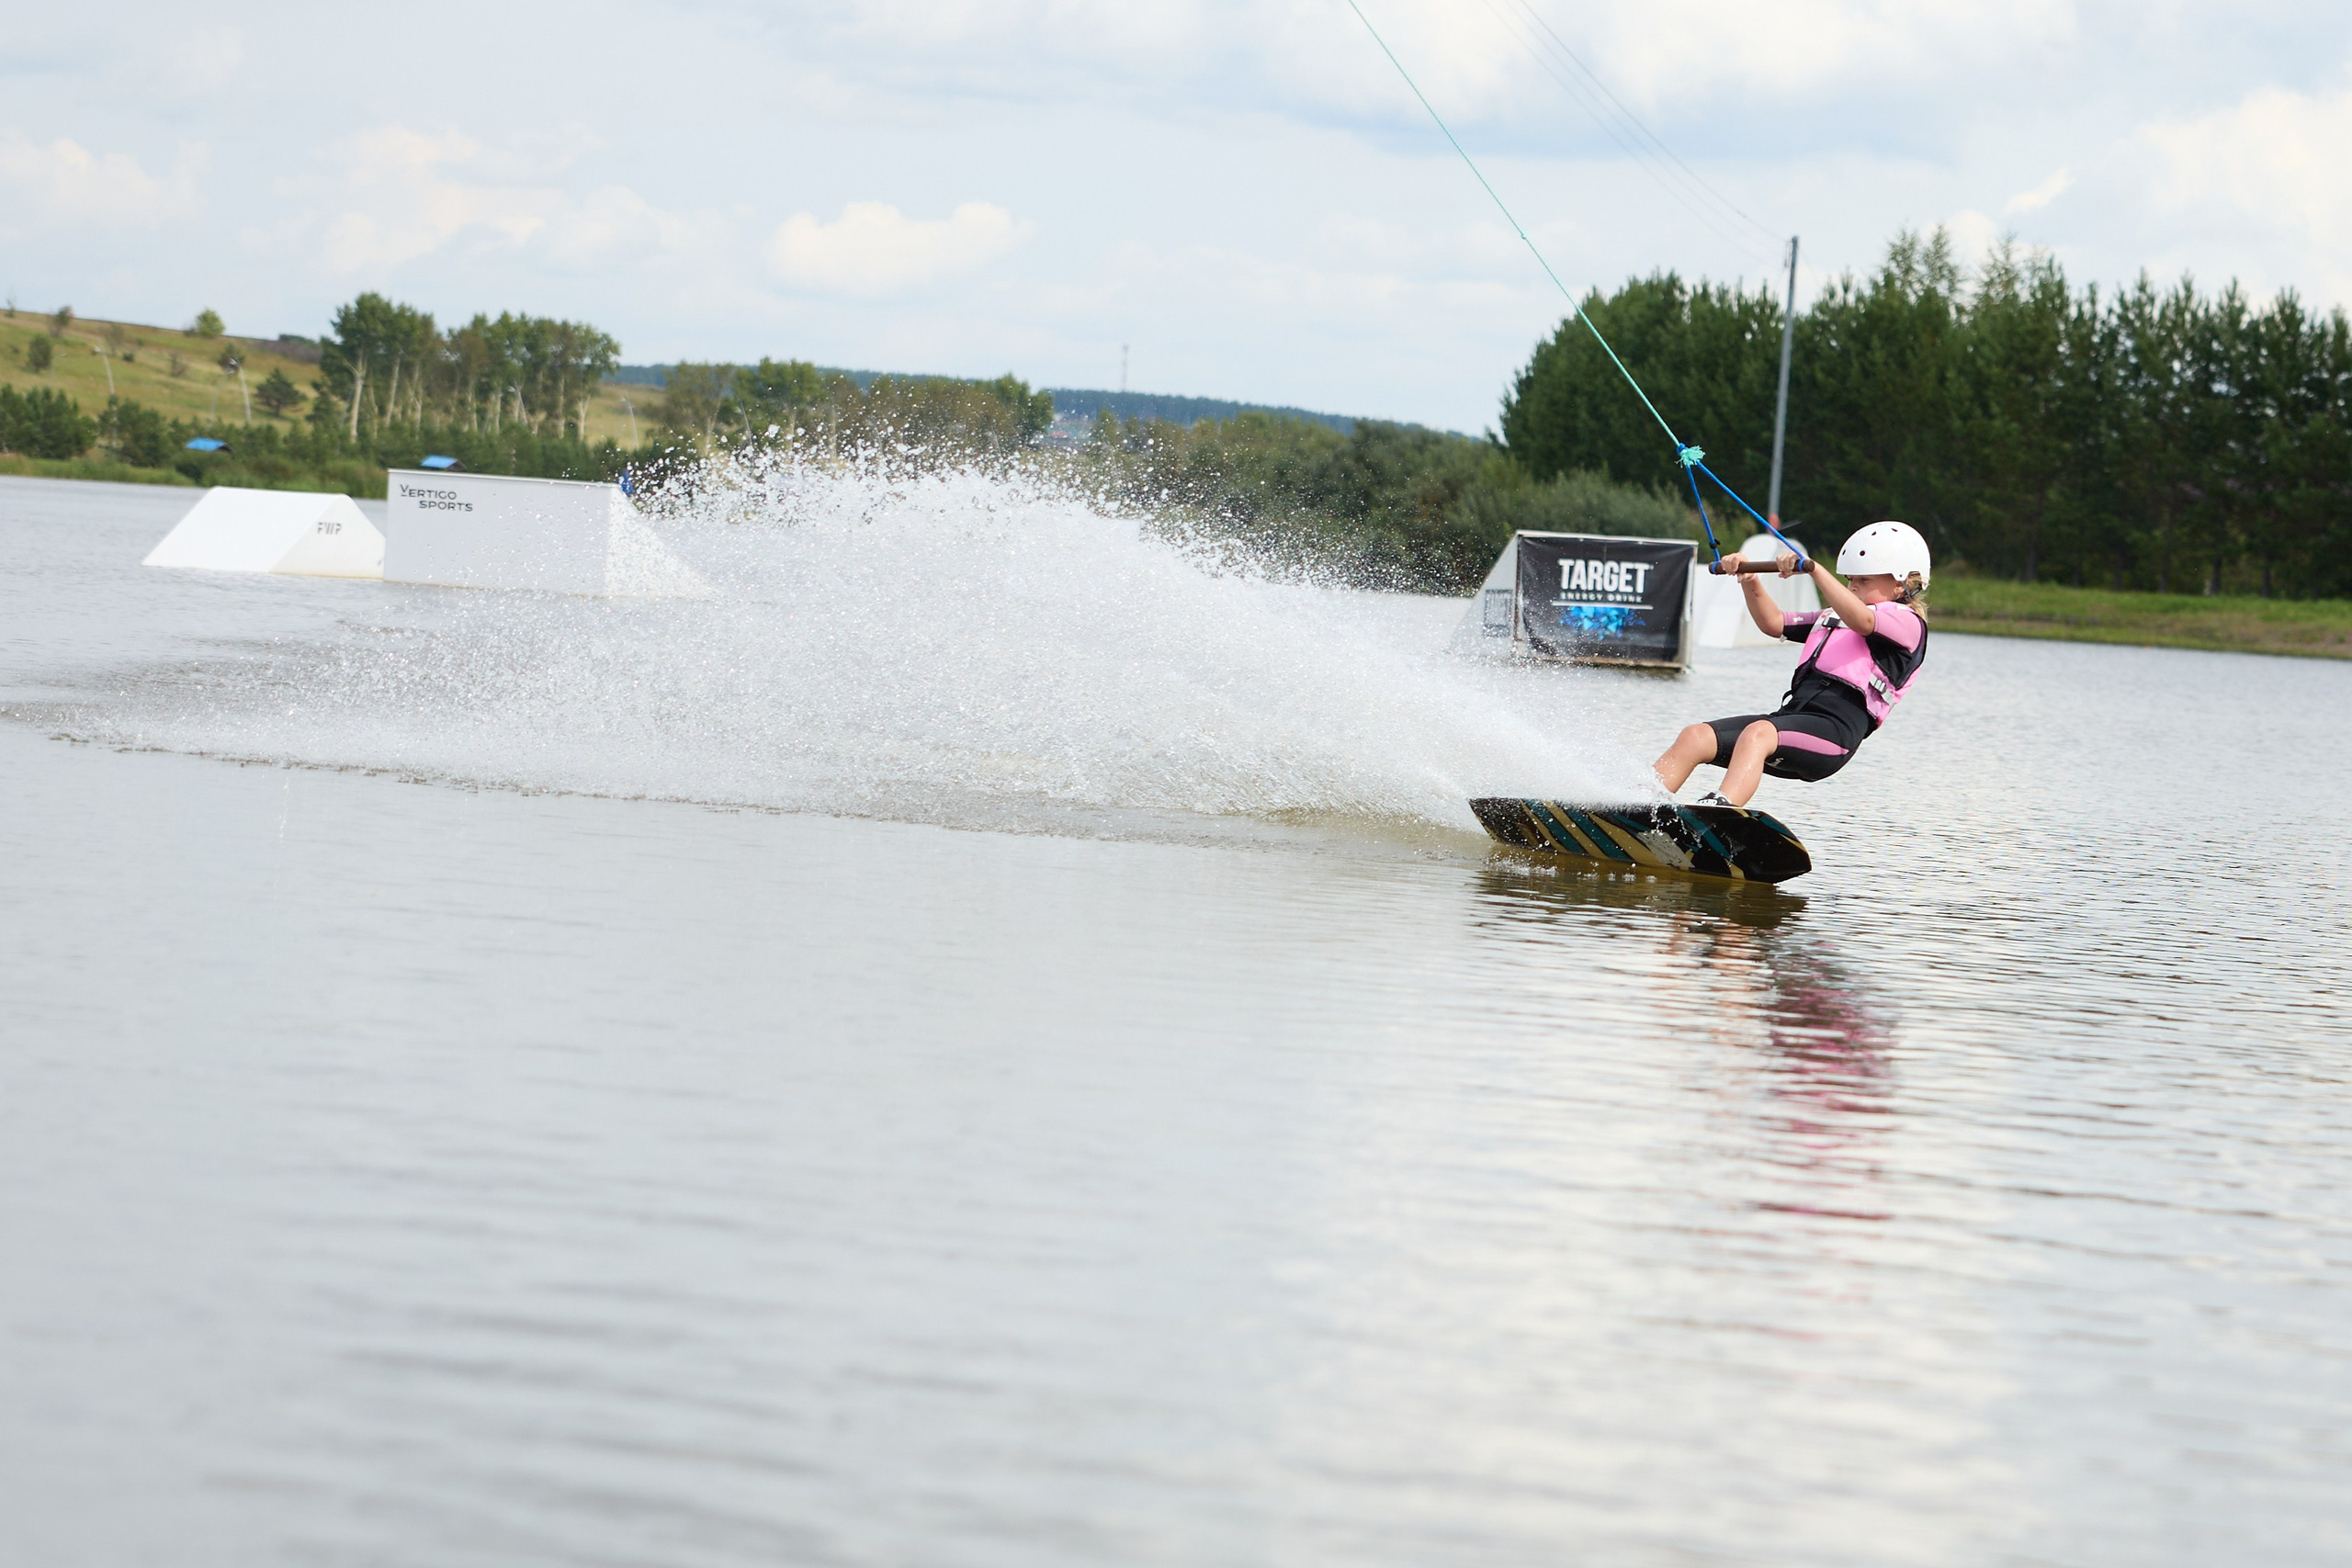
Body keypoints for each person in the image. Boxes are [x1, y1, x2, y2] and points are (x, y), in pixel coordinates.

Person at [1655, 521, 1931, 807]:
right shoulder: (1832, 618)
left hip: (1835, 733)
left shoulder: (1908, 624)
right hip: (1791, 718)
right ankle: (1637, 804)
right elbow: (1774, 623)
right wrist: (1750, 578)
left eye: (1864, 582)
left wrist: (1815, 571)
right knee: (1695, 736)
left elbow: (1863, 621)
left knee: (1758, 732)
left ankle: (1720, 809)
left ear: (1901, 586)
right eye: (1850, 580)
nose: (1852, 588)